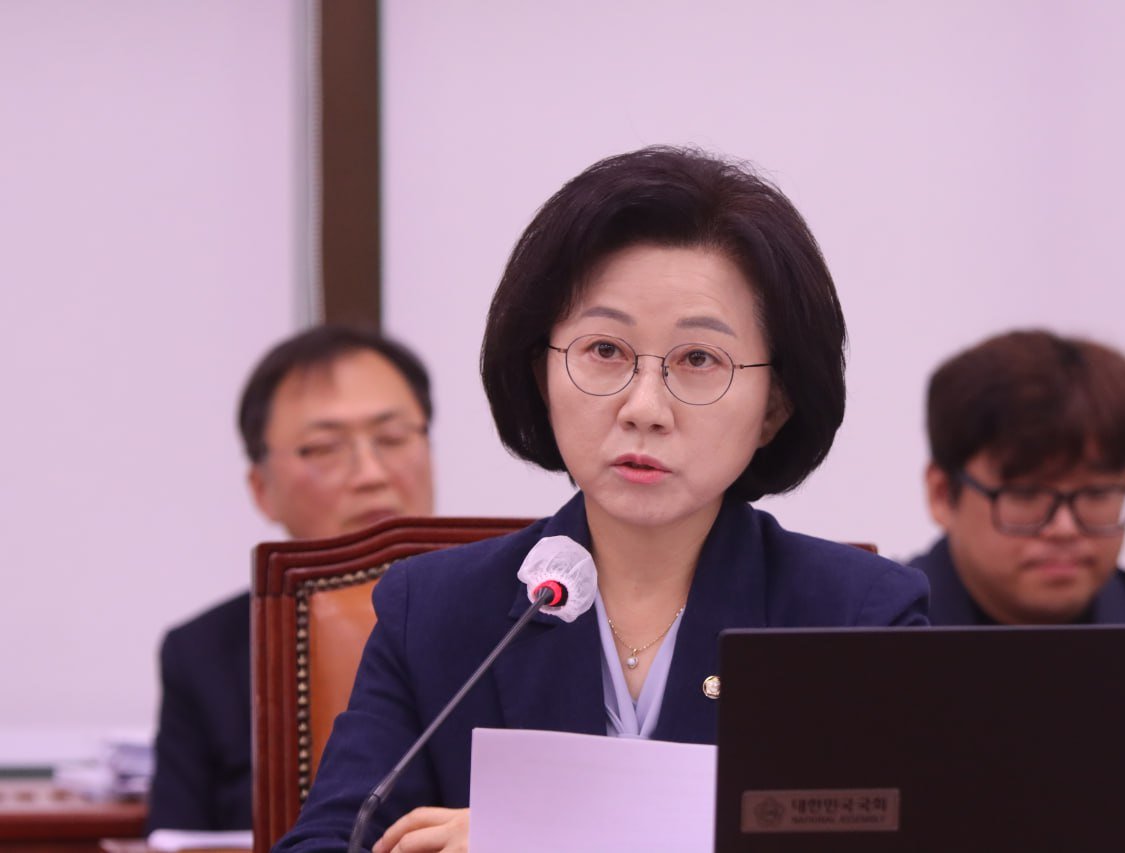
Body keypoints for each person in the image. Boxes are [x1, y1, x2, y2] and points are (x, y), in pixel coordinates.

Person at [275, 146, 929, 852]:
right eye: (605, 351)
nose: (643, 408)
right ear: (542, 373)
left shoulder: (856, 620)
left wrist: (535, 840)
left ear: (774, 405)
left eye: (698, 359)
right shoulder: (433, 614)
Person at [147, 326, 436, 832]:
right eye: (324, 448)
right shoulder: (202, 653)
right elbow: (176, 836)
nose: (371, 473)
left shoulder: (523, 611)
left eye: (393, 439)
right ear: (262, 489)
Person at [909, 328, 1125, 626]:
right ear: (942, 494)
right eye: (1027, 494)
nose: (1064, 529)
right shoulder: (886, 628)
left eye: (1097, 493)